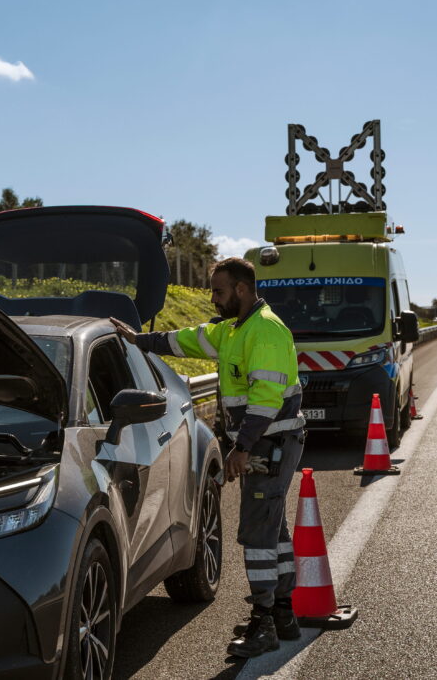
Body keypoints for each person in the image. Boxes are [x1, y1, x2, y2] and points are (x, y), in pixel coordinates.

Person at [110, 257, 305, 658]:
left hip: (270, 442)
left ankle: (264, 622)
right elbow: (183, 340)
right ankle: (283, 614)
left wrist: (242, 447)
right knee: (273, 529)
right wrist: (138, 340)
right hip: (267, 442)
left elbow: (266, 400)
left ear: (241, 289)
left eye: (218, 291)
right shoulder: (232, 330)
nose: (213, 299)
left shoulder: (264, 331)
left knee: (256, 535)